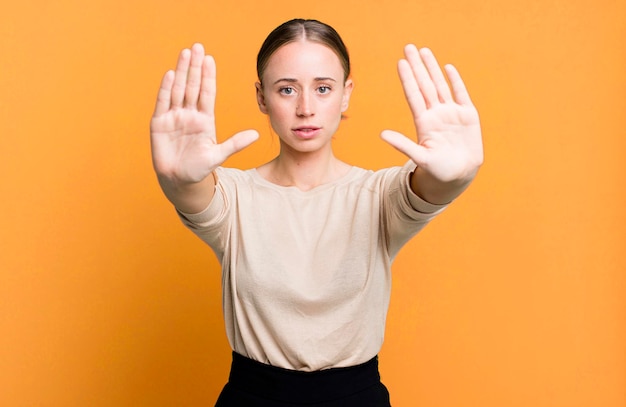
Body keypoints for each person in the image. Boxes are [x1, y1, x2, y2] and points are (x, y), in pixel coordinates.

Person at [150, 18, 483, 407]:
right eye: (287, 89)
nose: (305, 108)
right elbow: (192, 192)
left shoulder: (377, 196)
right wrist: (178, 179)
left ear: (345, 94)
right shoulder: (235, 195)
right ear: (261, 97)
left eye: (323, 88)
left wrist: (455, 176)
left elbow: (429, 188)